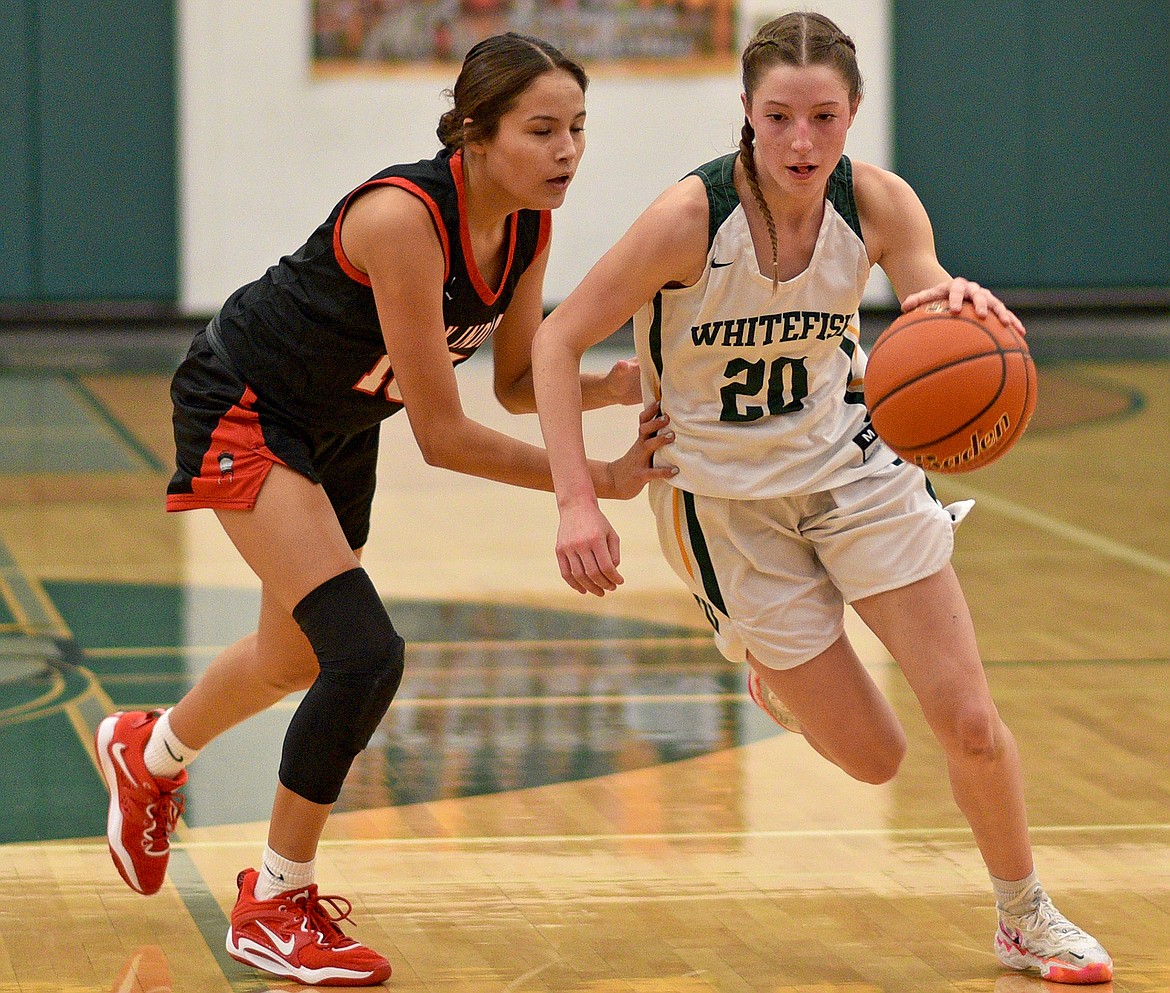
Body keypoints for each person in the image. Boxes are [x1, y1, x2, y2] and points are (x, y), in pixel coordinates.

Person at [531, 11, 1113, 986]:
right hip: (722, 502)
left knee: (967, 717)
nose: (802, 142)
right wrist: (577, 499)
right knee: (877, 758)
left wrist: (960, 309)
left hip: (854, 464)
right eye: (780, 118)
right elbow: (556, 343)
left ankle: (1025, 915)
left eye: (824, 118)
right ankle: (775, 673)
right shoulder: (688, 220)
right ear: (747, 117)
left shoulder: (878, 204)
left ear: (852, 116)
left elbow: (929, 298)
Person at [93, 32, 674, 988]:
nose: (567, 149)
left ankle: (149, 751)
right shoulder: (405, 218)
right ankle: (276, 900)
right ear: (475, 133)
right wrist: (591, 483)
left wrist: (610, 387)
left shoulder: (528, 224)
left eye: (577, 128)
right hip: (248, 403)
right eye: (542, 129)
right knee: (366, 654)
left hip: (340, 424)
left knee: (293, 656)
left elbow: (521, 382)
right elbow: (443, 436)